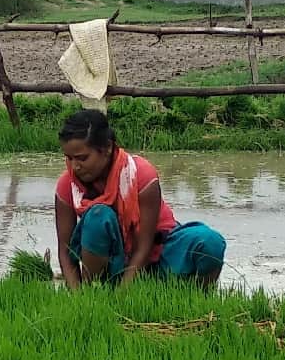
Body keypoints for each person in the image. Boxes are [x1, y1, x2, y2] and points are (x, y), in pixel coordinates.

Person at [53, 109, 226, 289]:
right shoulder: (67, 185)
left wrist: (123, 296)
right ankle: (94, 290)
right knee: (98, 216)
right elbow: (65, 252)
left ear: (107, 149)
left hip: (158, 251)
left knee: (210, 242)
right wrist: (78, 297)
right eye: (69, 158)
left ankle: (197, 296)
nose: (75, 166)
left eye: (82, 158)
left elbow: (144, 247)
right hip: (115, 263)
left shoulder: (141, 175)